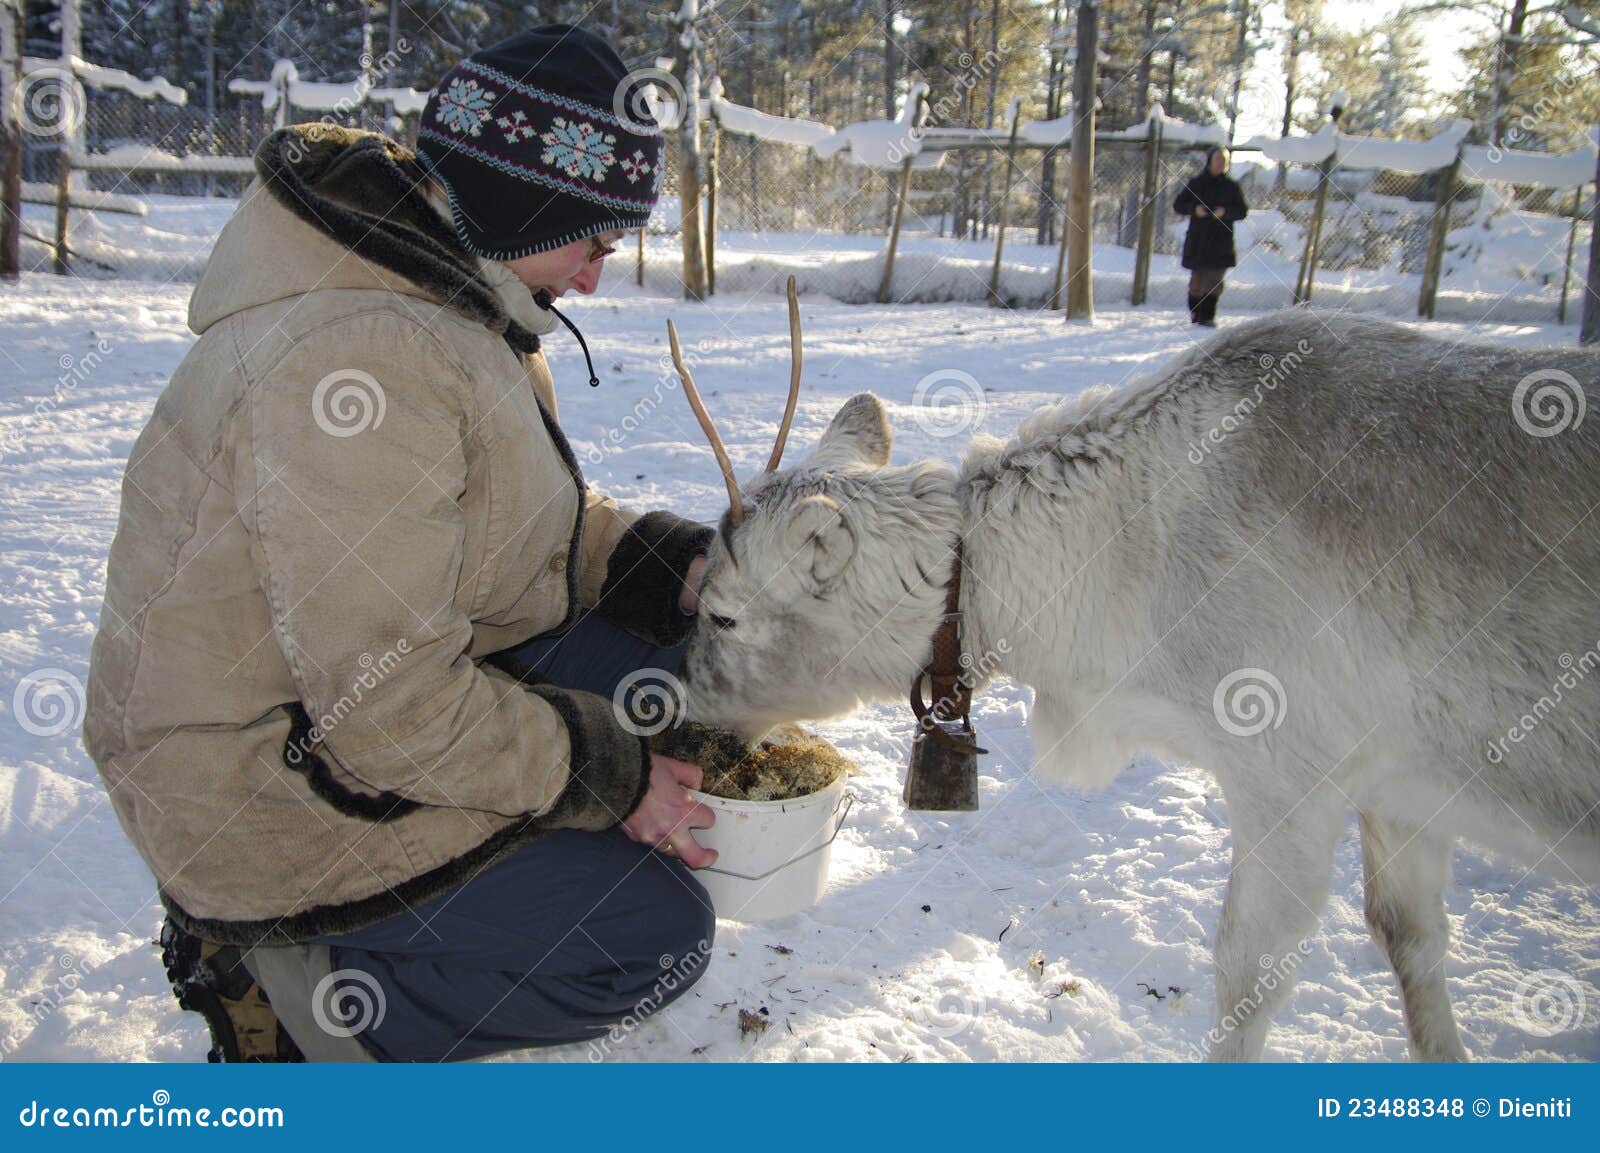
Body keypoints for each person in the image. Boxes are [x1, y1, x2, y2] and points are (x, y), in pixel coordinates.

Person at [83, 25, 722, 1062]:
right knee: (644, 939)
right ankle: (292, 988)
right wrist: (604, 773)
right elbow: (385, 711)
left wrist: (676, 568)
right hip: (259, 774)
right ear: (528, 205)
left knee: (689, 661)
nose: (598, 280)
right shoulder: (364, 361)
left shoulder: (452, 294)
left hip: (346, 702)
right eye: (595, 243)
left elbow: (506, 538)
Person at [1173, 146, 1248, 327]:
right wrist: (1194, 209)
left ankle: (1208, 316)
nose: (1220, 164)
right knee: (1197, 281)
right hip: (1199, 240)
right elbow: (1178, 205)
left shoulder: (1232, 187)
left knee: (1214, 281)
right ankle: (1196, 314)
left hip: (1221, 241)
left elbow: (1242, 211)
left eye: (1224, 161)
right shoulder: (1196, 184)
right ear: (1209, 161)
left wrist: (1225, 212)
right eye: (1217, 160)